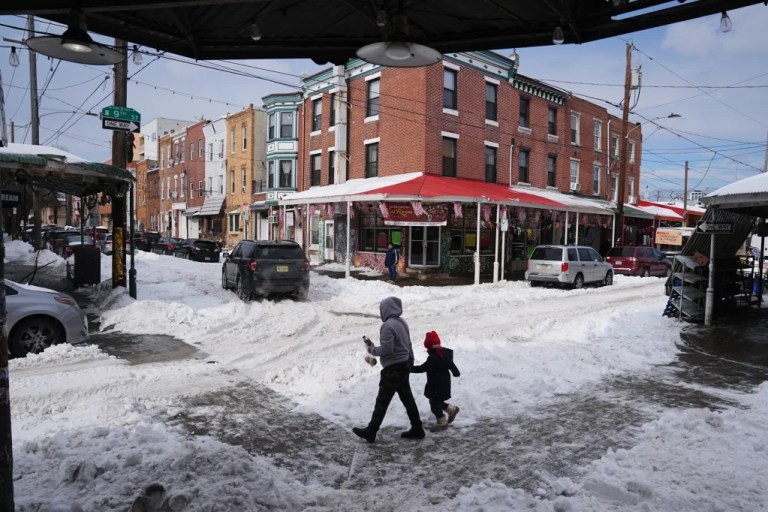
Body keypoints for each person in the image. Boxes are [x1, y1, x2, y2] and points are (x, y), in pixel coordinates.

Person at [353, 296, 424, 443]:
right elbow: (408, 344)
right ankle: (417, 428)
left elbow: (387, 349)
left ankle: (371, 431)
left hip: (393, 369)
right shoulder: (402, 323)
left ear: (386, 310)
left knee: (382, 401)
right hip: (404, 365)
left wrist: (372, 350)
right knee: (408, 399)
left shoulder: (387, 326)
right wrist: (409, 362)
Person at [411, 331, 460, 432]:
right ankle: (452, 410)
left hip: (436, 385)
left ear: (428, 347)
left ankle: (442, 423)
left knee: (434, 405)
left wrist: (409, 369)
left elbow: (422, 368)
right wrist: (456, 372)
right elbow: (451, 364)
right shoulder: (443, 353)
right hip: (444, 384)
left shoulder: (433, 358)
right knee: (437, 402)